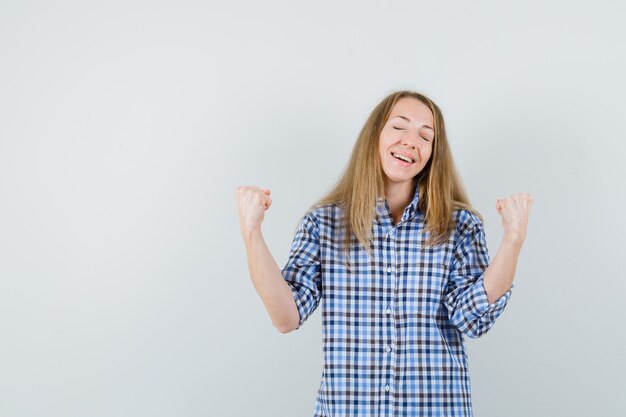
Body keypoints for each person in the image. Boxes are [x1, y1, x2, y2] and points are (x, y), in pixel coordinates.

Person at [235, 90, 534, 417]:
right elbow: (286, 317)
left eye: (425, 136)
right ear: (375, 135)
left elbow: (472, 319)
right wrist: (253, 233)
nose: (411, 141)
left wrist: (513, 241)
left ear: (433, 153)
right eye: (399, 127)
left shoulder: (459, 226)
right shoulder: (323, 224)